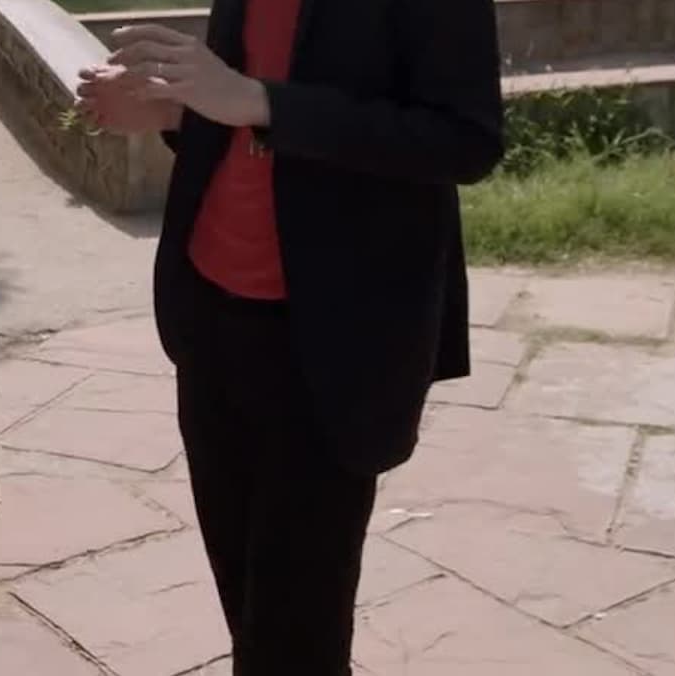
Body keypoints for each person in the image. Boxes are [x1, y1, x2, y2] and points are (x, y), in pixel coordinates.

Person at [75, 1, 506, 673]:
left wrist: (256, 101)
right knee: (250, 610)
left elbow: (465, 140)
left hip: (332, 343)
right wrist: (173, 112)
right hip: (210, 318)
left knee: (295, 639)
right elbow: (251, 121)